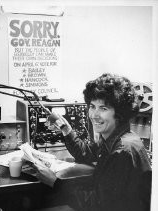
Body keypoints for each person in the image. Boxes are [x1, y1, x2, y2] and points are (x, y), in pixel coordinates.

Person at [32, 73, 152, 211]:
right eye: (92, 106)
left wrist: (55, 182)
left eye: (103, 108)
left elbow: (95, 205)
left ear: (119, 113)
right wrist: (66, 129)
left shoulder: (122, 151)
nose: (94, 115)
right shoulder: (113, 138)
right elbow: (86, 153)